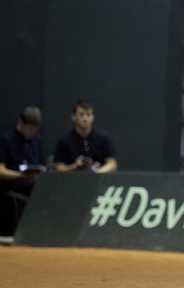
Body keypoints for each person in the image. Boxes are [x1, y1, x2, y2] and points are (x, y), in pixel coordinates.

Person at [0, 106, 44, 240]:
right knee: (35, 183)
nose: (32, 132)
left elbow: (40, 165)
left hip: (33, 181)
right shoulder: (5, 139)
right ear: (20, 122)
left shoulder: (37, 141)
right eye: (29, 128)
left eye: (35, 129)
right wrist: (22, 175)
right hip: (10, 183)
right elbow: (1, 171)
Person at [54, 99, 117, 173]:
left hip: (99, 181)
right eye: (81, 114)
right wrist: (75, 166)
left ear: (93, 117)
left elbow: (112, 164)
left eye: (88, 114)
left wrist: (96, 172)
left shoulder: (103, 138)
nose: (85, 118)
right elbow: (59, 167)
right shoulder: (64, 140)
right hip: (73, 181)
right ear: (73, 116)